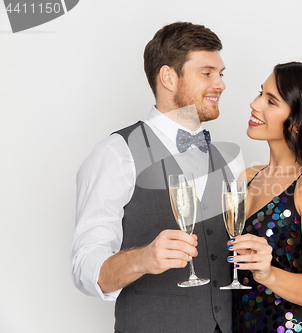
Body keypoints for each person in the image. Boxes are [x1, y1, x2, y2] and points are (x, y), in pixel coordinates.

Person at [71, 22, 240, 333]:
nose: (220, 84)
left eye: (221, 73)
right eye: (207, 73)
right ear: (168, 77)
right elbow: (84, 267)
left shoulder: (223, 159)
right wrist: (144, 259)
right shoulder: (116, 153)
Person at [230, 62, 302, 333]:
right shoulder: (247, 177)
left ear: (298, 122)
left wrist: (268, 273)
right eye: (261, 93)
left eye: (270, 101)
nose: (254, 103)